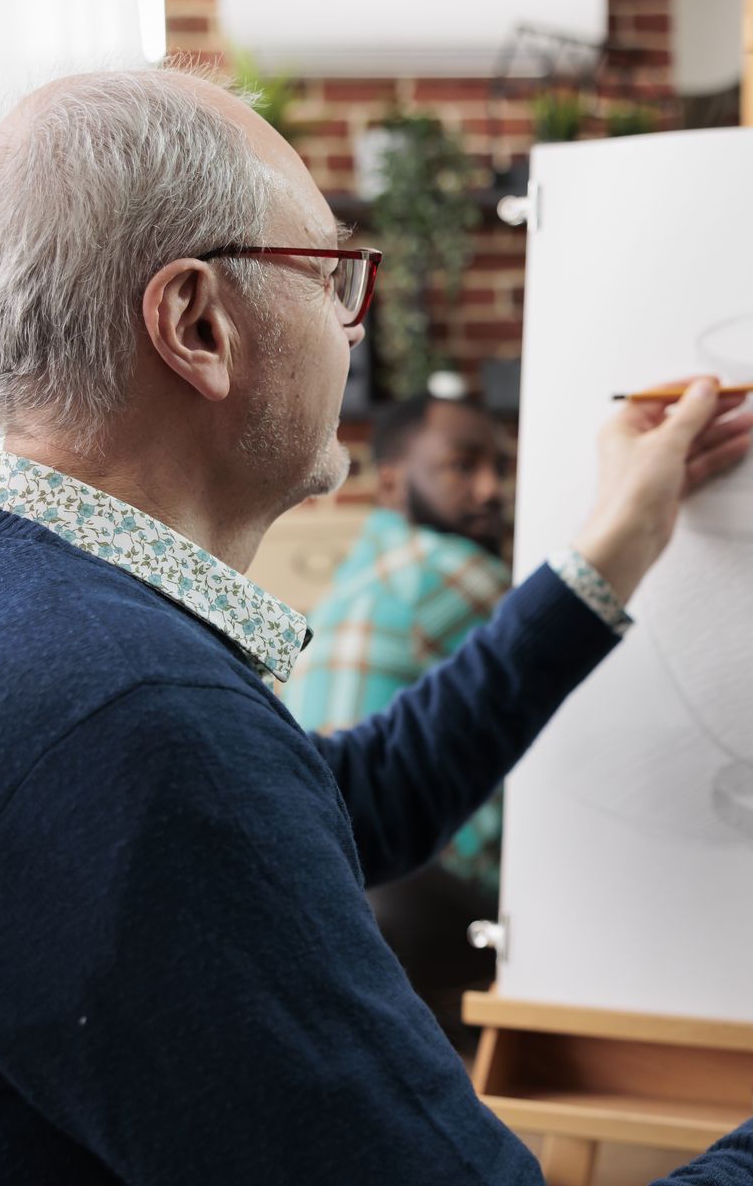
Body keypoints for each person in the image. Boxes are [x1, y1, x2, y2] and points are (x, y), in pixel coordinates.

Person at [0, 66, 753, 1185]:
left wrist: (614, 548)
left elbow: (345, 803)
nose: (353, 322)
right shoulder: (126, 724)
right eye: (328, 275)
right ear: (199, 326)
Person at [282, 391, 515, 1048]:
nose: (491, 489)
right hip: (421, 891)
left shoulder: (359, 573)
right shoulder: (457, 571)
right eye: (461, 467)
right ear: (391, 480)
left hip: (329, 888)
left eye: (499, 467)